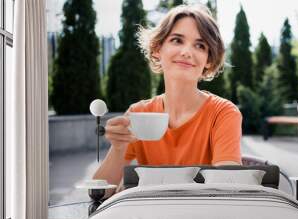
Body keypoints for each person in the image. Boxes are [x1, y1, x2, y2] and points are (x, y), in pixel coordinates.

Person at [93, 4, 243, 196]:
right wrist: (118, 148)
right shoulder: (138, 114)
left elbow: (228, 188)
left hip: (204, 218)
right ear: (157, 49)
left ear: (209, 60)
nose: (187, 52)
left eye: (200, 45)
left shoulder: (223, 113)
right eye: (177, 40)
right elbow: (100, 193)